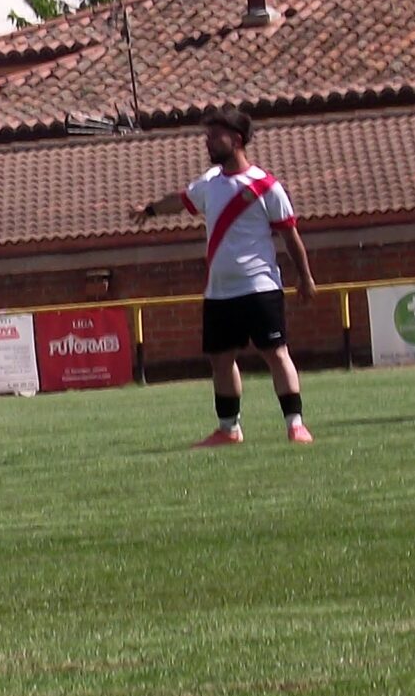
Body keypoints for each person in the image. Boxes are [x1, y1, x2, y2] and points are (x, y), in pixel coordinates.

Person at [133, 106, 316, 447]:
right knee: (220, 360)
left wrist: (305, 277)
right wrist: (151, 210)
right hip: (219, 292)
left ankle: (296, 425)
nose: (208, 142)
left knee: (276, 353)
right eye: (208, 136)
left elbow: (291, 236)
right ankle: (229, 429)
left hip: (260, 286)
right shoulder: (209, 183)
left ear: (237, 139)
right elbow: (181, 200)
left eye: (215, 136)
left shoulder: (266, 186)